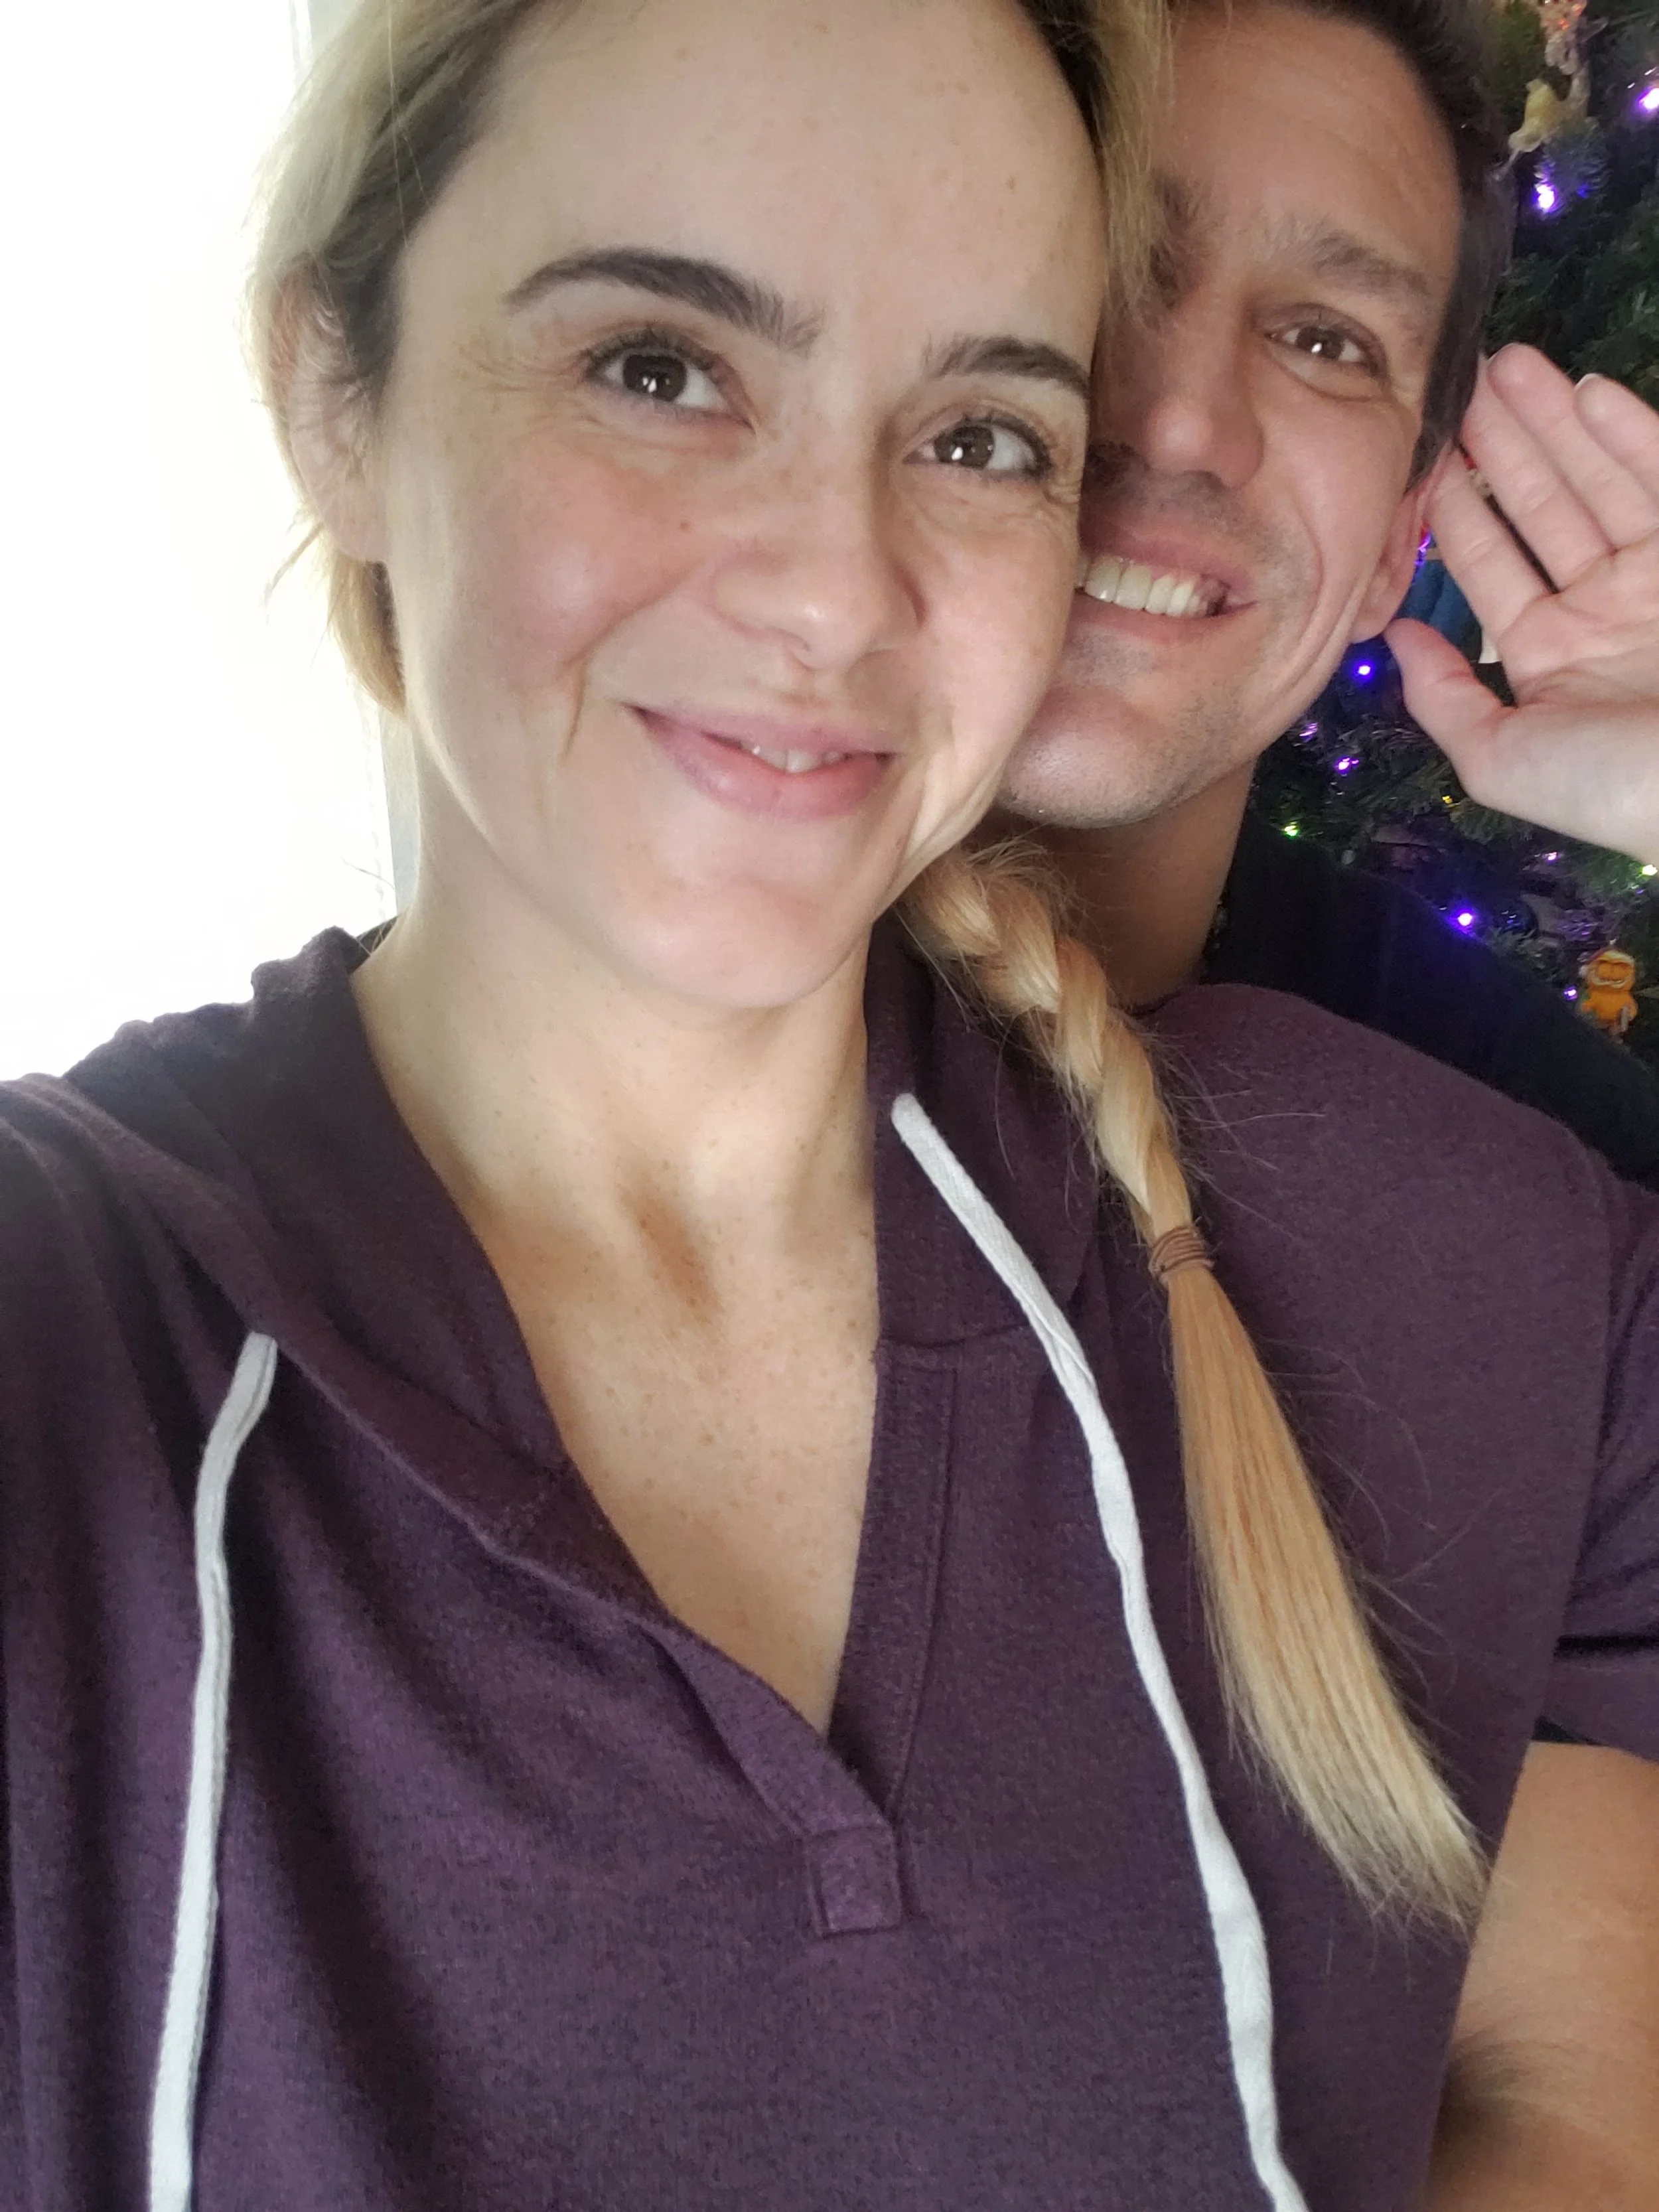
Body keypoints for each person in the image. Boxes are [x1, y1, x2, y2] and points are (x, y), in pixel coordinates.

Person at [2, 7, 1656, 2212]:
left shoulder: (1443, 1236)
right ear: (337, 385)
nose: (829, 580)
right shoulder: (89, 1339)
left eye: (980, 428)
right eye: (660, 367)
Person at [1004, 0, 1659, 1189]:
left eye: (1325, 343)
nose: (1179, 421)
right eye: (1108, 256)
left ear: (1395, 547)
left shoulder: (1517, 1129)